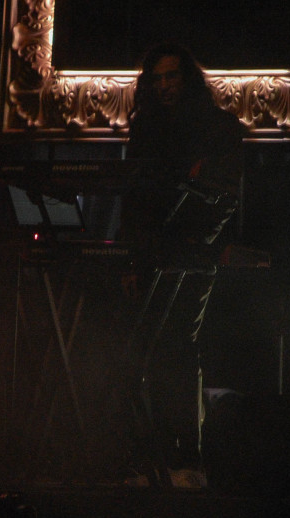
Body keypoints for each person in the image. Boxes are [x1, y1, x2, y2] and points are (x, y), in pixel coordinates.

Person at [117, 43, 244, 485]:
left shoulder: (216, 128)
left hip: (191, 255)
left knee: (179, 350)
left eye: (172, 77)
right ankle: (147, 457)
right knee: (138, 355)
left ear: (187, 79)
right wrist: (131, 259)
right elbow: (132, 200)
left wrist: (196, 242)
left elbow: (224, 195)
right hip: (152, 252)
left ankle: (186, 457)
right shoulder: (145, 130)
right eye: (158, 79)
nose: (166, 86)